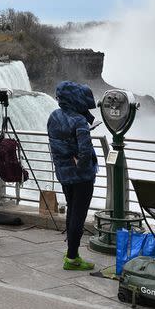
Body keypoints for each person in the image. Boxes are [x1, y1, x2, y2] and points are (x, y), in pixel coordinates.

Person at [47, 81, 98, 270]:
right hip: (81, 177)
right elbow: (85, 151)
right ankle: (72, 257)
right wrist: (83, 167)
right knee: (79, 214)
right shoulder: (79, 121)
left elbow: (56, 144)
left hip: (63, 173)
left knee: (71, 210)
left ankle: (70, 250)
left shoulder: (54, 116)